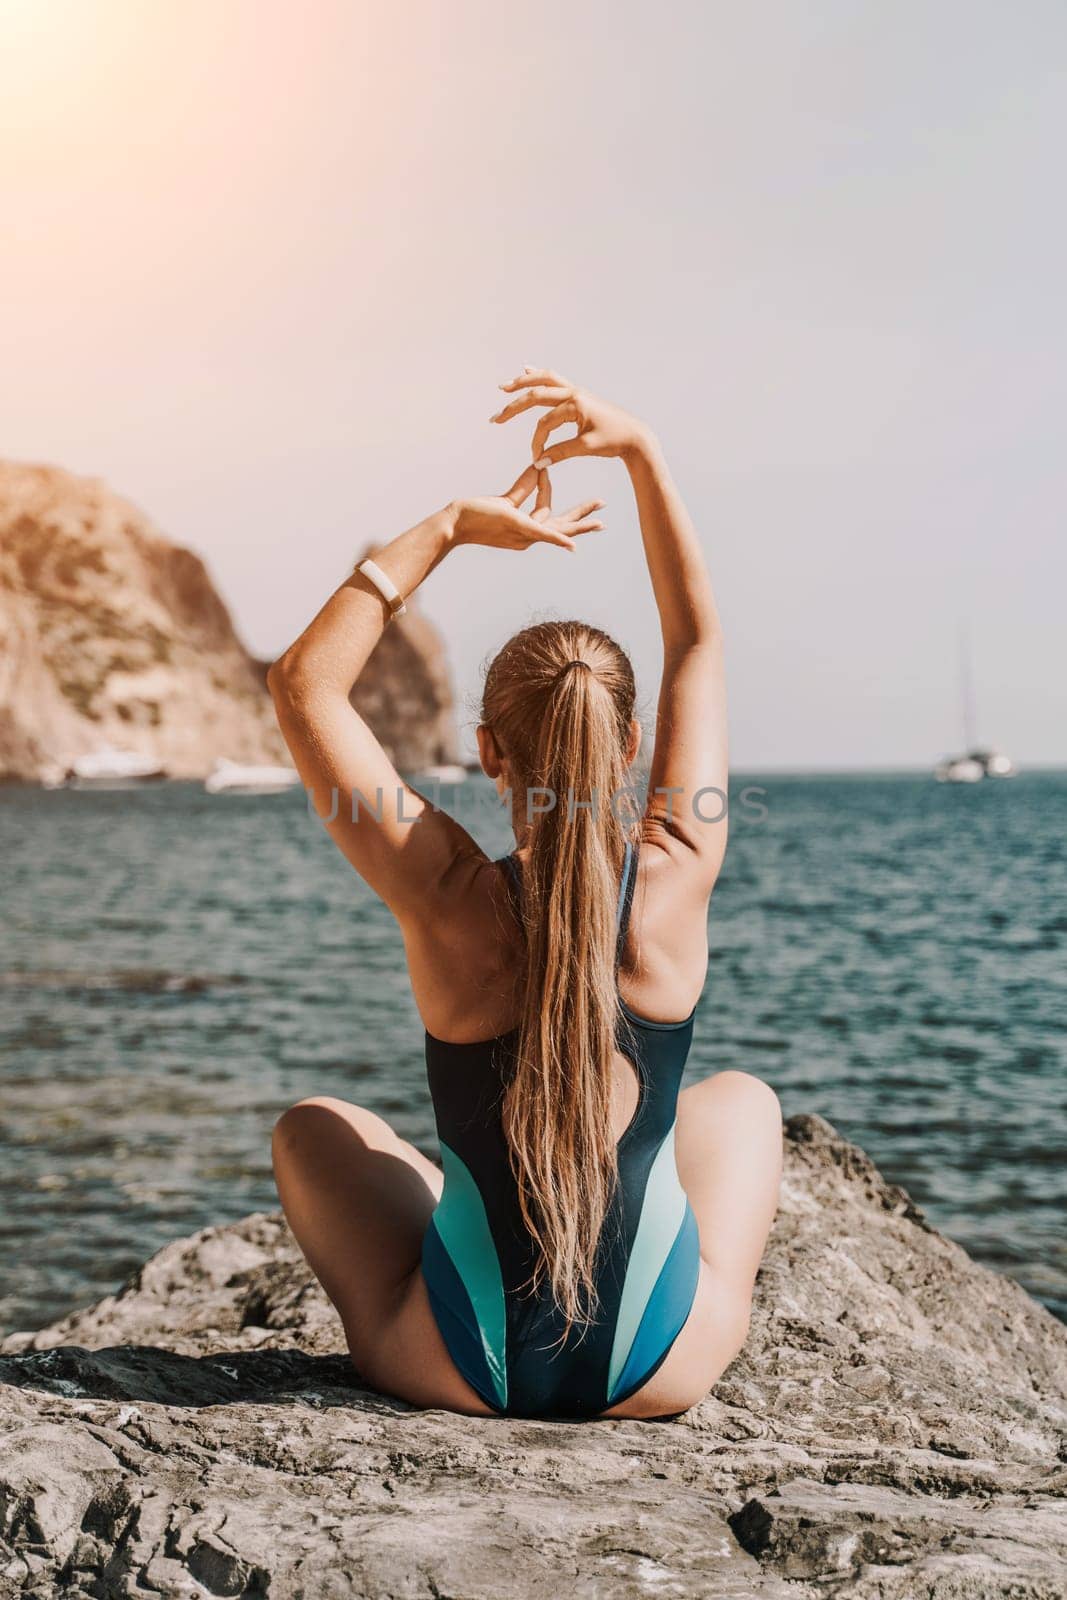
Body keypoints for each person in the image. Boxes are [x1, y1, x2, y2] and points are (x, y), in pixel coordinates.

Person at [269, 368, 782, 1419]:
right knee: (743, 1103)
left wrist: (446, 527)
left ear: (486, 750)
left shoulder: (443, 891)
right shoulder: (677, 868)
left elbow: (304, 685)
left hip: (460, 1368)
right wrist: (639, 451)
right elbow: (696, 643)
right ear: (628, 741)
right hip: (657, 1370)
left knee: (313, 1128)